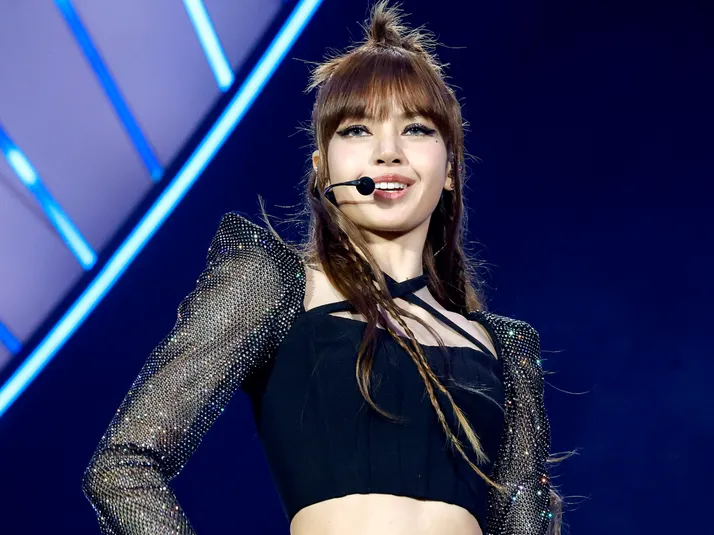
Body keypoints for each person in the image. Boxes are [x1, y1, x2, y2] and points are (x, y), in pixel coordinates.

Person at [81, 2, 561, 534]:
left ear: (449, 168)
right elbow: (123, 467)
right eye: (356, 130)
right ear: (322, 168)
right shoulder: (274, 285)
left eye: (416, 128)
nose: (388, 153)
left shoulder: (504, 349)